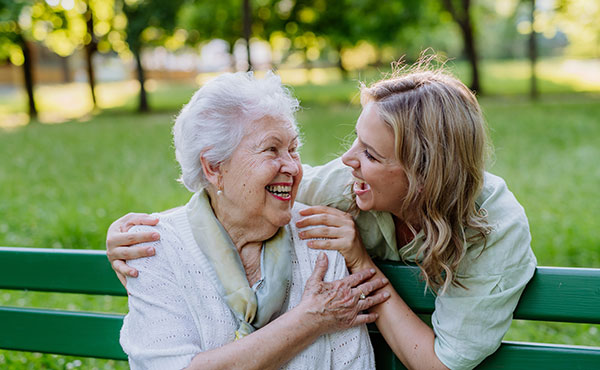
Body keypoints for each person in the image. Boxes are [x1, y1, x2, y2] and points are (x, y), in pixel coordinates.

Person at [108, 58, 536, 370]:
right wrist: (131, 237)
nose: (347, 160)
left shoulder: (493, 230)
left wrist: (359, 263)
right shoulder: (342, 186)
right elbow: (239, 188)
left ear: (422, 176)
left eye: (369, 154)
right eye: (356, 141)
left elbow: (437, 365)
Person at [114, 71, 389, 370]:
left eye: (293, 149)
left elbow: (355, 364)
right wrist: (310, 319)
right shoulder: (153, 247)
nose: (293, 167)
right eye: (272, 149)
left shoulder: (319, 238)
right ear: (214, 167)